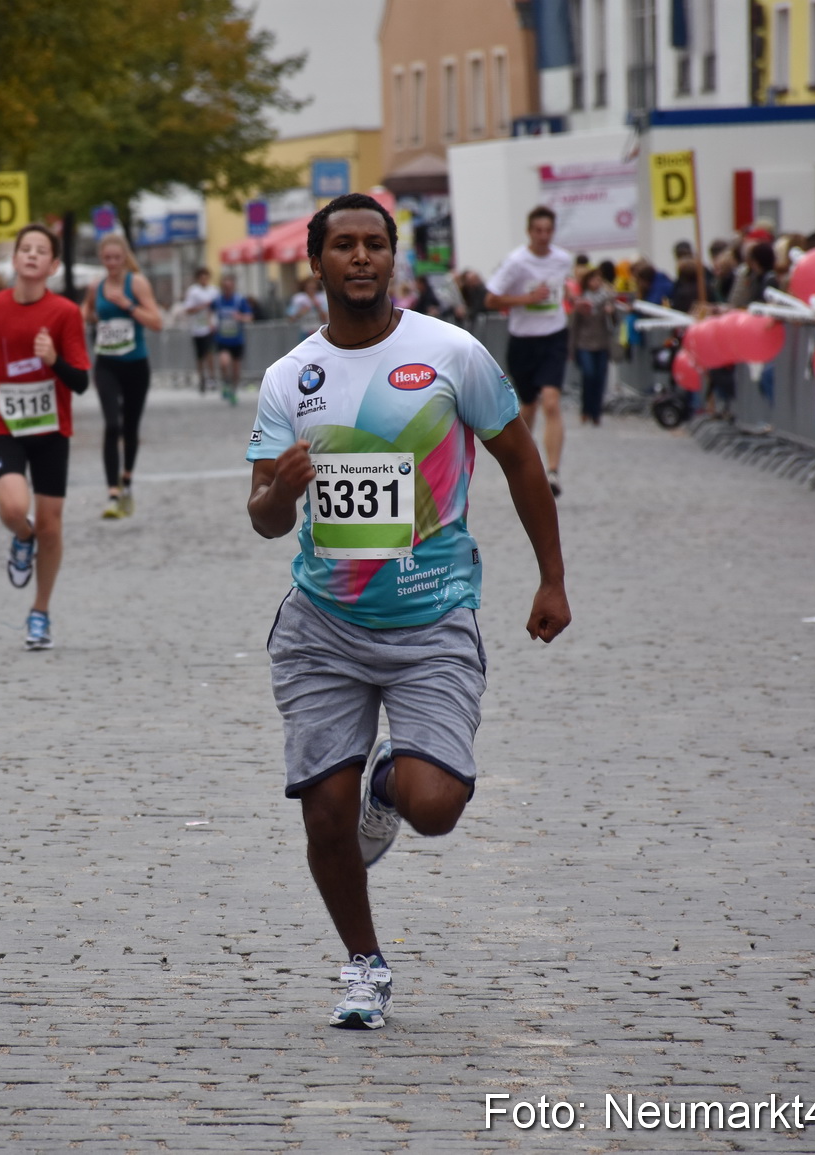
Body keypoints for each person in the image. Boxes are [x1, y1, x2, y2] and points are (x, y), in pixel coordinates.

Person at [245, 192, 569, 1030]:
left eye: (375, 244)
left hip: (432, 618)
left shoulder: (451, 352)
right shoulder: (288, 378)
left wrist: (551, 578)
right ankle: (364, 964)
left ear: (394, 259)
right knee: (325, 810)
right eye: (343, 245)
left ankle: (387, 783)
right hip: (324, 625)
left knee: (435, 806)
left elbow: (521, 462)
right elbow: (265, 516)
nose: (360, 257)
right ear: (315, 262)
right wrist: (281, 491)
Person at [0, 223, 89, 650]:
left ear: (53, 264)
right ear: (13, 259)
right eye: (24, 248)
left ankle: (39, 612)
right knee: (13, 509)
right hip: (5, 424)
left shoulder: (64, 312)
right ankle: (22, 538)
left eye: (40, 250)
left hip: (51, 428)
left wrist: (53, 360)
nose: (31, 255)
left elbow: (81, 381)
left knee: (51, 526)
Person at [484, 205, 574, 496]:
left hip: (554, 336)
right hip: (523, 339)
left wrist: (575, 301)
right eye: (538, 230)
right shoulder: (516, 262)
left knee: (551, 402)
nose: (543, 236)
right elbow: (491, 300)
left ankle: (553, 472)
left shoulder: (563, 259)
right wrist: (527, 298)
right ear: (529, 232)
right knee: (529, 405)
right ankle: (522, 462)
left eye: (548, 230)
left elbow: (561, 290)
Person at [83, 233, 162, 519]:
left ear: (124, 257)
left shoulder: (136, 283)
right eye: (107, 258)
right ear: (101, 259)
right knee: (111, 424)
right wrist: (92, 318)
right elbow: (87, 311)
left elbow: (157, 322)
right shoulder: (96, 286)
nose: (112, 263)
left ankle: (126, 480)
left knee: (129, 427)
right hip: (106, 364)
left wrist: (127, 305)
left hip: (135, 365)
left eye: (117, 258)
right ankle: (112, 494)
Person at [568, 267, 614, 426]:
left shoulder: (606, 298)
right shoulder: (581, 300)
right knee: (588, 375)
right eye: (593, 279)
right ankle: (586, 409)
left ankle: (596, 412)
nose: (596, 282)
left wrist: (611, 312)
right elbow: (574, 325)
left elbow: (615, 323)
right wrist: (571, 348)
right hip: (584, 342)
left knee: (600, 378)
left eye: (598, 280)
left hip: (602, 343)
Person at [213, 272, 254, 404]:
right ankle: (226, 382)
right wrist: (210, 323)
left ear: (233, 286)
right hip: (222, 339)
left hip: (237, 340)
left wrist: (240, 317)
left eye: (229, 286)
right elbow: (209, 311)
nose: (227, 289)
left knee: (236, 370)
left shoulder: (239, 300)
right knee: (224, 363)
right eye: (225, 287)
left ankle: (233, 391)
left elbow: (249, 317)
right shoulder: (218, 300)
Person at [181, 267, 216, 393]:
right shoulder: (193, 291)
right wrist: (202, 306)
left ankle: (212, 378)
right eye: (202, 278)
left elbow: (216, 308)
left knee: (210, 353)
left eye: (206, 277)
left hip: (210, 328)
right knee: (200, 356)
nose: (204, 280)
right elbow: (188, 310)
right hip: (197, 329)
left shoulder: (214, 291)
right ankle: (202, 378)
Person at [288, 275, 327, 342]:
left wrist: (318, 308)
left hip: (319, 331)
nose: (311, 290)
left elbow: (326, 318)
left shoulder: (322, 298)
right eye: (309, 287)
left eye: (313, 288)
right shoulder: (298, 298)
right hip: (304, 331)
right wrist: (301, 312)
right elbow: (291, 318)